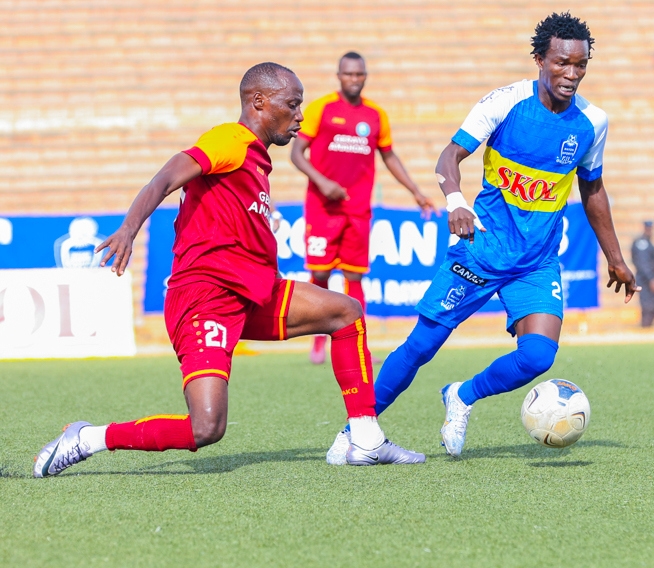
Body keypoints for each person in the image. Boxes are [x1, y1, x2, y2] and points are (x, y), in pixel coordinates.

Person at [33, 63, 424, 478]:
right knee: (206, 427)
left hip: (253, 292)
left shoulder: (256, 161)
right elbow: (164, 179)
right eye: (292, 104)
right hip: (205, 299)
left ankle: (366, 438)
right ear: (259, 101)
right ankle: (87, 438)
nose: (300, 116)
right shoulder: (229, 140)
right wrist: (129, 229)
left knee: (346, 312)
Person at [325, 12, 639, 463]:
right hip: (481, 250)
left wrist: (616, 258)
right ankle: (353, 434)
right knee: (421, 346)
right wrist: (456, 201)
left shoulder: (592, 122)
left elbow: (592, 188)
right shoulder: (506, 102)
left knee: (537, 357)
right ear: (539, 59)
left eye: (580, 65)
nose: (571, 74)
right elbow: (449, 156)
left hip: (536, 262)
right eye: (561, 63)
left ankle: (462, 395)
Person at [291, 51, 435, 365]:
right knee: (320, 272)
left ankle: (357, 341)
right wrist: (323, 182)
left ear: (365, 77)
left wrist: (416, 191)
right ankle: (318, 339)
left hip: (357, 209)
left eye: (359, 74)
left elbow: (389, 155)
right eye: (348, 74)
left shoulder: (375, 115)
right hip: (323, 208)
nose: (354, 79)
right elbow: (297, 153)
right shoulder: (321, 109)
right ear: (339, 76)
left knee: (354, 276)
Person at [631, 221, 654, 327]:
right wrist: (651, 279)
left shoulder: (647, 242)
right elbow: (643, 264)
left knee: (653, 305)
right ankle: (645, 326)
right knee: (649, 305)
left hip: (648, 277)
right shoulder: (642, 243)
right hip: (644, 279)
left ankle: (647, 326)